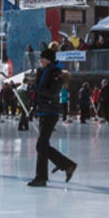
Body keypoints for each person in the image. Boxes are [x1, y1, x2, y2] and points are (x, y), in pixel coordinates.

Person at [27, 43, 77, 187]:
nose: (40, 62)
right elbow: (39, 94)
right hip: (43, 111)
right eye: (40, 60)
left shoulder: (56, 73)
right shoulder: (42, 72)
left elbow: (52, 93)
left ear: (48, 60)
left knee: (41, 145)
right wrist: (33, 108)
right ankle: (42, 176)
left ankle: (66, 165)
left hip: (51, 112)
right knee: (42, 145)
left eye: (42, 60)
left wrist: (36, 88)